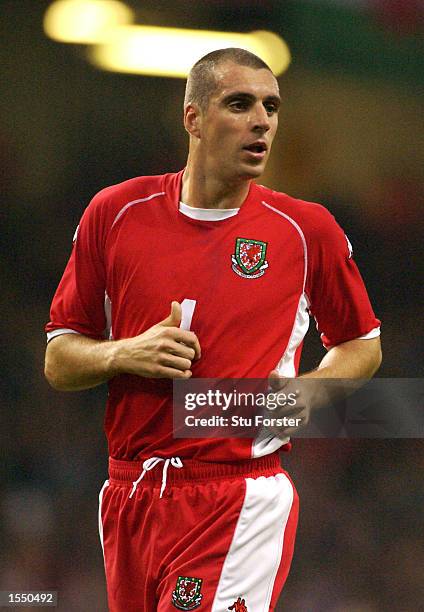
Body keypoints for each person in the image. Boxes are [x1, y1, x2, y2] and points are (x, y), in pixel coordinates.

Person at [45, 48, 381, 611]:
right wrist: (124, 352)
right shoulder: (116, 212)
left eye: (271, 107)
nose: (262, 121)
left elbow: (361, 346)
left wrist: (309, 393)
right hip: (129, 493)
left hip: (236, 494)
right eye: (240, 103)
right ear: (193, 117)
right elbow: (60, 360)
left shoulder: (304, 230)